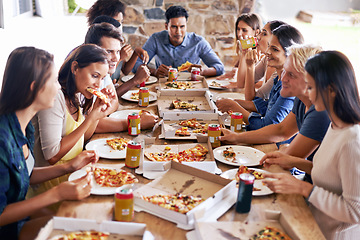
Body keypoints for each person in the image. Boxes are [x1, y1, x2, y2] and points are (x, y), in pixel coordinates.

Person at [0, 47, 97, 239]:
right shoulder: (3, 141)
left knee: (84, 222)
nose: (58, 87)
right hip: (8, 231)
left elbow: (23, 174)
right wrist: (56, 194)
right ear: (34, 87)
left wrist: (69, 167)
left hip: (21, 221)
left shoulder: (24, 126)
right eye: (53, 80)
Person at [261, 51, 360, 239]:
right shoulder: (335, 125)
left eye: (311, 87)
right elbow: (331, 174)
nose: (306, 93)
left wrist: (303, 189)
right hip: (312, 221)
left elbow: (355, 211)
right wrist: (291, 160)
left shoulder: (352, 140)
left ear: (331, 90)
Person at [219, 44, 329, 166]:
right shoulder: (302, 99)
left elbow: (290, 157)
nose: (283, 79)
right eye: (284, 71)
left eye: (291, 75)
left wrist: (284, 150)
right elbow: (281, 130)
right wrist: (236, 137)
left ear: (310, 78)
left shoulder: (320, 111)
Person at [31, 44, 113, 194]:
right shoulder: (55, 97)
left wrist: (96, 112)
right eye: (94, 76)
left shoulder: (79, 93)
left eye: (102, 78)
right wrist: (89, 120)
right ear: (75, 68)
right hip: (50, 188)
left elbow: (84, 136)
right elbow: (52, 155)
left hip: (75, 177)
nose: (98, 84)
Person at [217, 24, 304, 131]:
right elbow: (267, 106)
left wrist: (235, 107)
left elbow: (267, 126)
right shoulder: (279, 78)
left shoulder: (289, 85)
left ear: (290, 54)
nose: (267, 52)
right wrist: (234, 102)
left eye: (275, 49)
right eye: (269, 46)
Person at [84, 22, 158, 133]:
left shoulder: (104, 73)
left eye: (118, 51)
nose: (116, 58)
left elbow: (114, 101)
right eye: (109, 51)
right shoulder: (84, 78)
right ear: (91, 50)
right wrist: (136, 123)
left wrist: (100, 115)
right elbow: (91, 124)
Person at [132, 5, 225, 78]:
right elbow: (136, 65)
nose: (178, 32)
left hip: (192, 86)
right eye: (174, 27)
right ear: (166, 26)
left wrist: (203, 71)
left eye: (182, 27)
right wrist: (155, 72)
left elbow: (220, 68)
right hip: (163, 86)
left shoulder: (198, 42)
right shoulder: (156, 39)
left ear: (186, 26)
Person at [87, 0, 149, 81]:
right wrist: (119, 58)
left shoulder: (114, 43)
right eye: (116, 22)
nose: (119, 26)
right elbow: (104, 80)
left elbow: (125, 70)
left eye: (121, 22)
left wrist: (135, 53)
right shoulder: (95, 45)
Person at [217, 13, 261, 81]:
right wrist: (232, 72)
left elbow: (260, 82)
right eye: (238, 29)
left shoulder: (261, 52)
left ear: (257, 32)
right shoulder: (245, 49)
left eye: (244, 30)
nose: (239, 34)